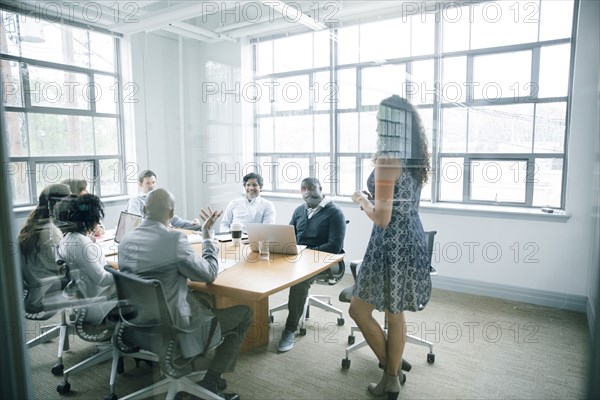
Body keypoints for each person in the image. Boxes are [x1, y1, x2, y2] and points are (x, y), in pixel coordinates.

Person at [118, 188, 252, 400]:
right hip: (175, 330)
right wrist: (208, 237)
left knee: (200, 299)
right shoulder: (175, 241)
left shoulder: (125, 240)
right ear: (171, 214)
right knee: (244, 313)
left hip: (136, 325)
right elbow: (209, 274)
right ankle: (210, 383)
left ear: (143, 209)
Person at [349, 95, 432, 400]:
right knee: (395, 313)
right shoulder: (414, 158)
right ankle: (392, 367)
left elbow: (381, 218)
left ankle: (389, 373)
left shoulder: (388, 160)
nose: (377, 123)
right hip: (412, 238)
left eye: (381, 118)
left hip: (389, 244)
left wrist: (361, 200)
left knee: (358, 309)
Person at [277, 177, 346, 353]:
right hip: (300, 257)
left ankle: (290, 329)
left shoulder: (334, 213)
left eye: (311, 188)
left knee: (299, 281)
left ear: (320, 188)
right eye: (304, 189)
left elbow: (334, 246)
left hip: (326, 261)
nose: (308, 191)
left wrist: (306, 253)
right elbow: (289, 234)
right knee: (266, 266)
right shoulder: (299, 210)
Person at [58, 194, 117, 324]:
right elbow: (102, 279)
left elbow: (90, 265)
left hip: (83, 296)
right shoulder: (81, 243)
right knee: (137, 284)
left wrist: (115, 265)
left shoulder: (67, 238)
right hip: (97, 301)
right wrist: (124, 273)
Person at [18, 183, 71, 318]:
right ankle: (91, 321)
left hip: (36, 286)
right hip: (48, 290)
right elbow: (56, 265)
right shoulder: (49, 229)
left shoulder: (34, 222)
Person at [126, 169, 202, 230]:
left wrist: (190, 223)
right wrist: (160, 225)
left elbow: (172, 218)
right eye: (148, 183)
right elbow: (136, 223)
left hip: (169, 230)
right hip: (153, 233)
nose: (151, 186)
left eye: (153, 182)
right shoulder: (135, 201)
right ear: (140, 184)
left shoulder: (159, 197)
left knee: (199, 228)